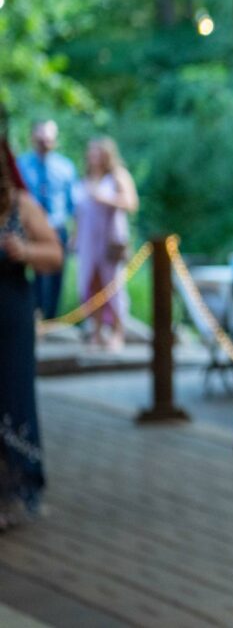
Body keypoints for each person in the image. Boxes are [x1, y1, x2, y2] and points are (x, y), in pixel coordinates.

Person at [1, 134, 64, 530]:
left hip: (10, 315)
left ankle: (10, 490)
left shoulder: (19, 206)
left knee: (11, 395)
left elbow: (55, 255)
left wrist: (25, 252)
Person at [74, 137, 138, 351]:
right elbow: (80, 212)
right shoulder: (85, 178)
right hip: (87, 241)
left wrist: (106, 198)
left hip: (110, 240)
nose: (94, 157)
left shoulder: (117, 175)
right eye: (91, 153)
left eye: (98, 153)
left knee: (113, 286)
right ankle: (97, 331)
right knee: (91, 284)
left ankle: (118, 332)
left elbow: (131, 203)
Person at [16, 119, 77, 321]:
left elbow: (73, 204)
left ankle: (51, 319)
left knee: (55, 276)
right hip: (28, 230)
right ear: (33, 138)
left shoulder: (65, 167)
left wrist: (75, 233)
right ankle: (32, 315)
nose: (45, 142)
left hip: (57, 228)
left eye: (49, 138)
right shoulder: (22, 165)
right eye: (41, 138)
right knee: (30, 274)